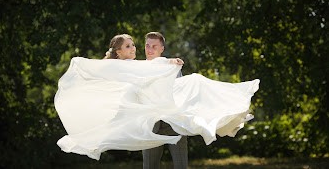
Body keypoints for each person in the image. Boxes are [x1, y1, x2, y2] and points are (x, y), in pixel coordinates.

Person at [54, 33, 259, 161]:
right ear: (117, 51)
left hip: (167, 116)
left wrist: (168, 63)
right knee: (150, 163)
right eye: (129, 46)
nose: (134, 49)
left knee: (195, 83)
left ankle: (233, 113)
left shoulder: (139, 65)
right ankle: (231, 114)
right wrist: (167, 62)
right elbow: (143, 71)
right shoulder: (120, 67)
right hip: (146, 118)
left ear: (161, 48)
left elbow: (149, 70)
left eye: (134, 45)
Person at [142, 32, 188, 169]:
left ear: (162, 49)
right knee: (150, 165)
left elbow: (180, 92)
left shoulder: (173, 66)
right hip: (151, 125)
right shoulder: (139, 68)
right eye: (147, 46)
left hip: (174, 122)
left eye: (154, 47)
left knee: (181, 165)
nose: (149, 50)